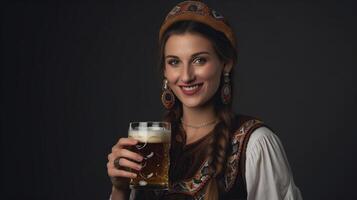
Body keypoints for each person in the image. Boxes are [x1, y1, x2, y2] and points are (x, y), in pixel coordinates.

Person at [107, 1, 303, 199]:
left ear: (226, 63)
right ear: (165, 71)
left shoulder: (255, 143)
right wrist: (120, 189)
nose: (186, 76)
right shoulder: (151, 146)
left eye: (199, 60)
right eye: (174, 62)